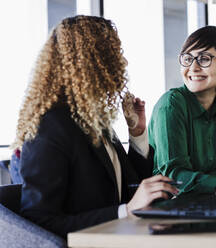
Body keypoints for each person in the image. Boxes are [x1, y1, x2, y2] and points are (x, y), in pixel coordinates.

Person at [11, 15, 178, 239]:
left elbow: (130, 186)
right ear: (91, 62)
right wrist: (125, 212)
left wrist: (137, 133)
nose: (123, 62)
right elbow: (39, 222)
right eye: (114, 54)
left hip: (123, 238)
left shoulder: (91, 119)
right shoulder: (49, 128)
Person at [148, 26, 216, 196]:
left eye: (204, 59)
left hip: (213, 201)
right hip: (171, 207)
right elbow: (173, 175)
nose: (193, 68)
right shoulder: (171, 105)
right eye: (187, 59)